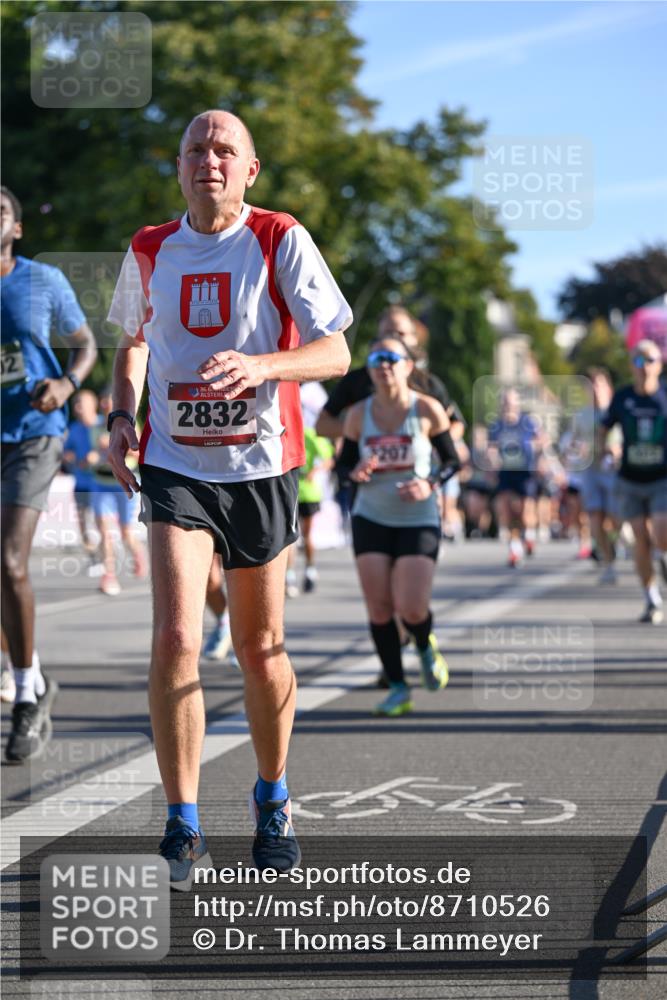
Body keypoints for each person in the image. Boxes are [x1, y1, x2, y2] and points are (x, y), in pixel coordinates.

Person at [106, 109, 351, 886]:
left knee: (258, 649)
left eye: (223, 150)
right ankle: (182, 820)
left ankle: (273, 796)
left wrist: (263, 367)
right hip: (177, 465)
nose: (207, 160)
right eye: (193, 150)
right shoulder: (148, 247)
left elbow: (336, 350)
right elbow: (133, 344)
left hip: (262, 467)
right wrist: (121, 416)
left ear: (250, 169)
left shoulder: (279, 238)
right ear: (177, 168)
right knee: (177, 637)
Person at [1, 186, 97, 763]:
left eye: (1, 212)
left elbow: (83, 344)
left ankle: (24, 697)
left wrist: (66, 383)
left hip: (37, 432)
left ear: (17, 229)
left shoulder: (42, 281)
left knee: (9, 559)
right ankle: (33, 682)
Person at [338, 336, 459, 717]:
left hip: (418, 516)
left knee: (410, 607)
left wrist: (429, 483)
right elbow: (343, 467)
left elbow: (452, 461)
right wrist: (354, 472)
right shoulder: (359, 414)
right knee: (379, 608)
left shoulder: (427, 409)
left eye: (392, 358)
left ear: (408, 366)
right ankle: (397, 687)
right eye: (376, 359)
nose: (384, 365)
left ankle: (424, 646)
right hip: (371, 514)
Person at [600, 341, 667, 623]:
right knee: (640, 537)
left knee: (660, 535)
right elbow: (604, 428)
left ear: (659, 364)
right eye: (638, 361)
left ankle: (663, 559)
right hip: (630, 478)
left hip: (662, 477)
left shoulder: (665, 397)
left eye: (649, 360)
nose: (644, 367)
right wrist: (606, 448)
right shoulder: (623, 397)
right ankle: (651, 596)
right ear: (631, 366)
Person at [487, 389, 541, 567]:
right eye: (505, 402)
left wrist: (538, 454)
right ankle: (514, 549)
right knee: (506, 509)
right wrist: (492, 463)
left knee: (525, 512)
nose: (508, 406)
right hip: (506, 471)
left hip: (525, 471)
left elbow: (541, 441)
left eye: (511, 402)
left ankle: (530, 535)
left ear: (517, 404)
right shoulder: (496, 425)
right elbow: (492, 448)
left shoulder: (527, 422)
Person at [579, 368, 621, 584]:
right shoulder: (582, 415)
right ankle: (609, 564)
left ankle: (620, 541)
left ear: (608, 387)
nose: (595, 389)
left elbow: (627, 439)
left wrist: (618, 450)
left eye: (599, 384)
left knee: (616, 518)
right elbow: (572, 443)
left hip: (614, 472)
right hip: (591, 471)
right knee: (595, 519)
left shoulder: (617, 410)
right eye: (591, 385)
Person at [286, 425, 335, 596]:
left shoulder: (309, 434)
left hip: (308, 493)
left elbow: (328, 458)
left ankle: (309, 569)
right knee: (289, 538)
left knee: (306, 536)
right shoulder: (280, 431)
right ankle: (289, 576)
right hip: (288, 492)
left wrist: (315, 471)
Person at [62, 389, 101, 567]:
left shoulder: (104, 424)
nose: (77, 408)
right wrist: (68, 456)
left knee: (103, 522)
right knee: (83, 523)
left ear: (93, 405)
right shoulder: (73, 428)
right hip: (81, 483)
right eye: (75, 404)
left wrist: (97, 456)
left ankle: (107, 555)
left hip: (101, 483)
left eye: (81, 403)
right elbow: (65, 452)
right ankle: (93, 557)